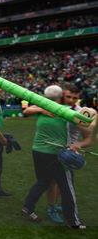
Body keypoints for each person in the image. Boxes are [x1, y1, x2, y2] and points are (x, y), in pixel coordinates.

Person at [21, 85, 94, 229]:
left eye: (75, 98)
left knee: (47, 182)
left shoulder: (76, 112)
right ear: (62, 96)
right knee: (62, 186)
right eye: (68, 97)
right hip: (51, 153)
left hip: (62, 152)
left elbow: (89, 136)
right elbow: (27, 110)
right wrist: (42, 109)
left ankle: (30, 207)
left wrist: (78, 145)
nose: (71, 100)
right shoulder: (51, 107)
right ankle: (72, 221)